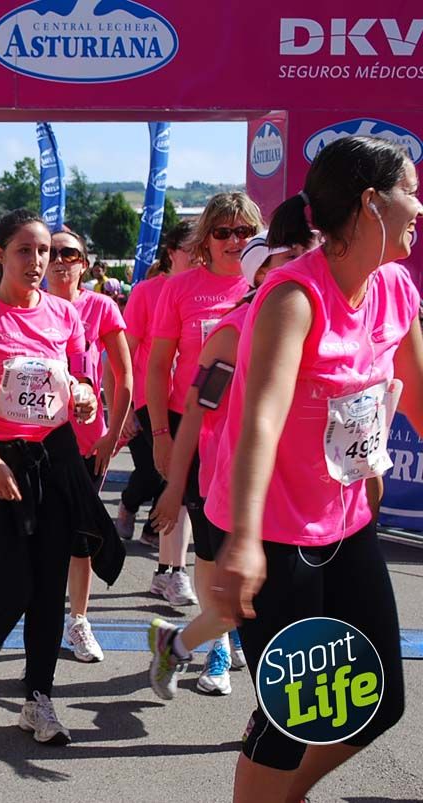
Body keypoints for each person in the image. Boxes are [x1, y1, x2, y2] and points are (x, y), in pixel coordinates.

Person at [194, 137, 419, 802]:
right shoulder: (295, 299)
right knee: (293, 713)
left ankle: (286, 796)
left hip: (345, 525)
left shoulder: (396, 289)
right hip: (273, 531)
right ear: (370, 203)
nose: (421, 206)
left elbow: (415, 394)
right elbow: (258, 419)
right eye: (410, 190)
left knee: (378, 699)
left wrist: (369, 458)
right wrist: (242, 540)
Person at [0, 209, 117, 745]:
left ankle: (38, 699)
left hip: (53, 460)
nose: (38, 261)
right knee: (13, 583)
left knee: (48, 589)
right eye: (25, 250)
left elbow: (79, 378)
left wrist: (88, 397)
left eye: (44, 251)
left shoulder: (64, 315)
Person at [146, 222, 309, 700]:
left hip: (295, 487)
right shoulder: (236, 332)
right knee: (241, 594)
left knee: (256, 602)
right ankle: (242, 681)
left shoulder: (316, 324)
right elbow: (196, 413)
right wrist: (175, 488)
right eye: (288, 260)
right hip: (227, 480)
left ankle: (175, 643)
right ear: (261, 276)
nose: (303, 269)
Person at [147, 193, 262, 607]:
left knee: (250, 531)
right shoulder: (180, 288)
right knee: (208, 534)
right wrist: (161, 434)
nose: (234, 240)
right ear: (206, 239)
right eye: (223, 232)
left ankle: (231, 624)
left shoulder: (267, 285)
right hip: (192, 427)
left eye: (244, 231)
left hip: (250, 428)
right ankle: (219, 638)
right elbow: (158, 367)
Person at [45, 227, 132, 663]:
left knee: (80, 538)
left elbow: (123, 376)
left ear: (84, 262)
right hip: (34, 443)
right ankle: (36, 620)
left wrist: (111, 435)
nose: (61, 260)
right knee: (39, 539)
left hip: (85, 444)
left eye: (70, 253)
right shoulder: (29, 306)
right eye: (52, 252)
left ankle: (77, 620)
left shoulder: (100, 308)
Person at [117, 221, 195, 546]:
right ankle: (129, 504)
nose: (198, 257)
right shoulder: (147, 292)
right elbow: (124, 354)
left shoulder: (205, 288)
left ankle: (158, 536)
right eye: (190, 250)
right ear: (171, 252)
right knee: (154, 470)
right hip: (149, 398)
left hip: (188, 398)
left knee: (180, 471)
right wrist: (123, 411)